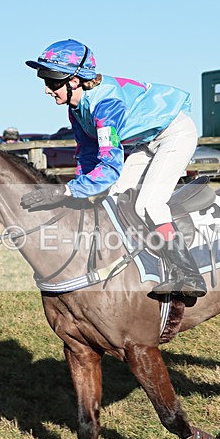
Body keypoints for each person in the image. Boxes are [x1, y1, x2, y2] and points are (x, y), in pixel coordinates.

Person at [21, 38, 206, 297]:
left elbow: (109, 168)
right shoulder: (76, 108)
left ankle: (189, 275)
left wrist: (65, 191)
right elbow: (87, 154)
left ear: (74, 81)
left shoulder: (105, 106)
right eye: (45, 81)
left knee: (148, 204)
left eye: (51, 82)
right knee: (115, 197)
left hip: (174, 134)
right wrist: (78, 191)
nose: (47, 89)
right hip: (146, 141)